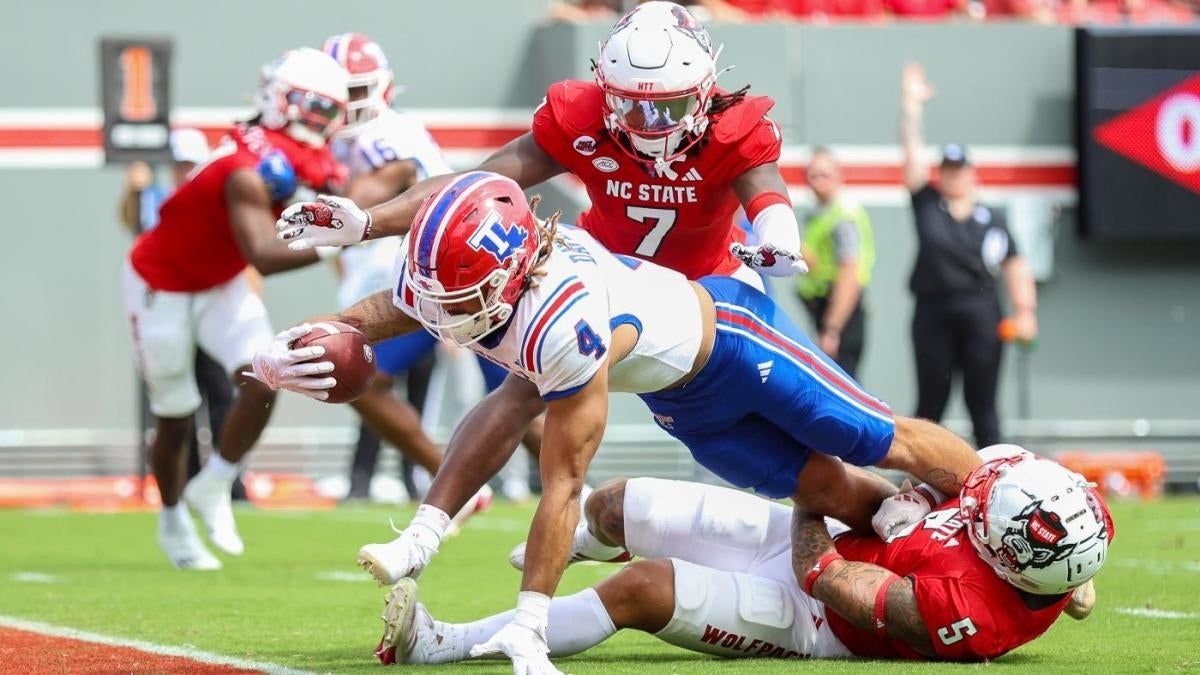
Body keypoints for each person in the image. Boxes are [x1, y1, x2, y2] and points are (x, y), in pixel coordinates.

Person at [251, 171, 984, 674]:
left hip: (733, 338)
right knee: (820, 487)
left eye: (460, 296)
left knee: (878, 436)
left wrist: (530, 615)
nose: (441, 313)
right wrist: (296, 343)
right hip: (683, 398)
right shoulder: (490, 267)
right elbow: (430, 255)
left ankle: (995, 484)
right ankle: (902, 515)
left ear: (506, 278)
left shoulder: (565, 324)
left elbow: (561, 480)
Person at [376, 448, 1112, 666]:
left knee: (642, 587)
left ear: (1009, 559)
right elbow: (963, 473)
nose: (979, 500)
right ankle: (565, 547)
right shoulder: (1065, 524)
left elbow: (822, 575)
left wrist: (809, 492)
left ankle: (443, 645)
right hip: (838, 542)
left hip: (815, 612)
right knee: (616, 502)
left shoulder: (969, 611)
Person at [122, 47, 349, 569]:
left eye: (327, 110)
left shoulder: (291, 150)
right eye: (310, 106)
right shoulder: (246, 168)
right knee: (176, 415)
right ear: (278, 99)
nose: (318, 121)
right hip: (161, 285)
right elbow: (265, 256)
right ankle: (173, 519)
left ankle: (217, 483)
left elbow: (335, 182)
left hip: (219, 283)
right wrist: (344, 237)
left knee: (268, 374)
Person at [322, 32, 536, 509]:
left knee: (515, 392)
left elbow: (361, 198)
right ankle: (462, 480)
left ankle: (566, 485)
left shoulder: (388, 136)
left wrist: (308, 170)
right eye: (338, 93)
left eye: (355, 92)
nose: (346, 104)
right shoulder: (351, 140)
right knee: (510, 391)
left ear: (382, 89)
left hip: (462, 276)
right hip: (432, 278)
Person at [899, 63, 1039, 449]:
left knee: (983, 404)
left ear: (971, 173)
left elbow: (1015, 263)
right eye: (947, 169)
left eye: (959, 170)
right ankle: (923, 479)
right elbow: (910, 156)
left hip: (979, 310)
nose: (953, 176)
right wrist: (911, 107)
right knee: (931, 403)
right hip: (933, 311)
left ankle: (994, 476)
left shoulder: (991, 218)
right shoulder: (928, 204)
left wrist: (1025, 311)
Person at [798, 147, 875, 379]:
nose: (818, 181)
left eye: (825, 174)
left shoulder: (843, 216)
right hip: (826, 309)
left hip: (840, 311)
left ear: (838, 176)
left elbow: (849, 273)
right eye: (813, 175)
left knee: (843, 387)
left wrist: (832, 329)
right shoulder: (819, 213)